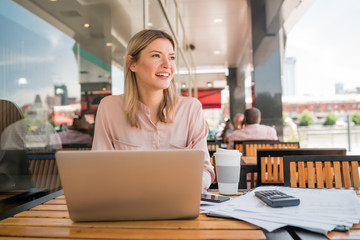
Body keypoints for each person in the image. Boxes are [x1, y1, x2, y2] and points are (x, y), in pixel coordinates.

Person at [92, 29, 215, 191]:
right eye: (156, 55)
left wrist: (182, 191)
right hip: (127, 206)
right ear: (132, 63)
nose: (167, 65)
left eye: (171, 57)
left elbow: (204, 170)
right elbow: (100, 170)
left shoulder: (191, 109)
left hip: (179, 203)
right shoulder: (109, 108)